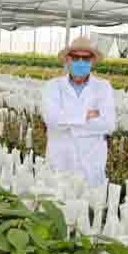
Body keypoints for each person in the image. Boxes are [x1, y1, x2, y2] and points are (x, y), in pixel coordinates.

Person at [42, 37, 117, 187]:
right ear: (67, 60)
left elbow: (108, 125)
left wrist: (67, 120)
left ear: (92, 61)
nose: (80, 62)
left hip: (90, 162)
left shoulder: (103, 87)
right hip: (60, 159)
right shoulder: (52, 86)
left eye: (86, 58)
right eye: (76, 57)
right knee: (58, 201)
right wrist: (87, 115)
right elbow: (51, 119)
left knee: (89, 206)